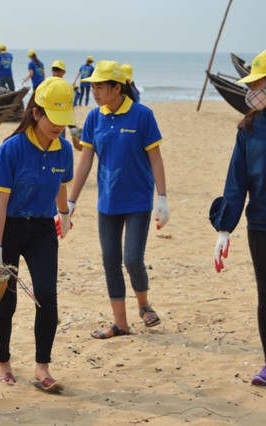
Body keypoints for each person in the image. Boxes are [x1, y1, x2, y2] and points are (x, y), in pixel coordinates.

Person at [0, 77, 76, 393]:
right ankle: (3, 363)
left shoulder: (64, 150)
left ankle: (41, 367)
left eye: (65, 121)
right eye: (54, 118)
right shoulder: (11, 149)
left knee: (46, 297)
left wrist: (64, 214)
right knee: (5, 301)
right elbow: (0, 203)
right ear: (36, 113)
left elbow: (62, 185)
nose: (60, 127)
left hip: (40, 229)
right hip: (6, 227)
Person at [67, 60, 169, 339]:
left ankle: (144, 305)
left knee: (133, 259)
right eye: (93, 87)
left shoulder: (142, 115)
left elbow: (156, 159)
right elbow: (85, 162)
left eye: (100, 86)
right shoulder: (93, 118)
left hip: (138, 201)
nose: (95, 92)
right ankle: (120, 324)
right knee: (110, 261)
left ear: (117, 87)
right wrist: (70, 204)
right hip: (107, 203)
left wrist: (162, 197)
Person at [209, 49, 266, 386]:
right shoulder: (248, 128)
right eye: (252, 83)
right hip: (261, 226)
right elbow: (236, 181)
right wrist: (224, 229)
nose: (252, 90)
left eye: (258, 83)